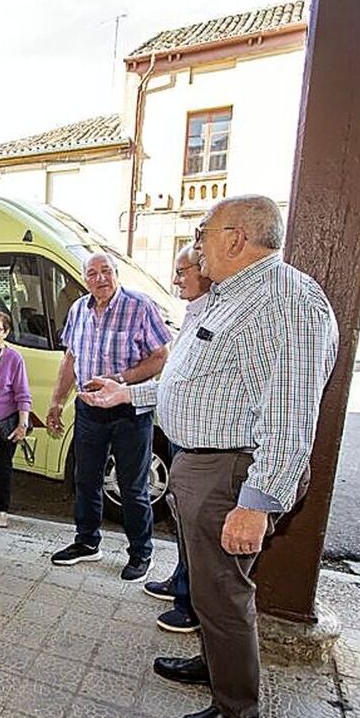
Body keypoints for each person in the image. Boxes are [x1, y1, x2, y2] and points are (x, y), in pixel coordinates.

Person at [81, 195, 338, 718]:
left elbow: (292, 417)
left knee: (224, 591)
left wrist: (258, 501)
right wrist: (130, 392)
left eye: (202, 234)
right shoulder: (230, 296)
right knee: (210, 585)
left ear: (235, 238)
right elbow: (195, 383)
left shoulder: (286, 300)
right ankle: (215, 662)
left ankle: (237, 712)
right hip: (199, 464)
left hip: (229, 473)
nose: (196, 247)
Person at [46, 251, 171, 582]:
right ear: (85, 279)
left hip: (129, 409)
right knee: (85, 479)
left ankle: (141, 553)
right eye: (92, 273)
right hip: (89, 408)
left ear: (116, 273)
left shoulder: (140, 306)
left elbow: (161, 357)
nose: (99, 278)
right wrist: (57, 401)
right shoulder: (78, 309)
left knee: (132, 486)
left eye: (106, 271)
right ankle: (87, 543)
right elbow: (70, 358)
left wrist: (122, 381)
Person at [143, 244, 212, 635]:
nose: (176, 279)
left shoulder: (220, 311)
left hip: (205, 444)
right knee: (183, 521)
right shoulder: (194, 311)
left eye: (183, 270)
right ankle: (181, 582)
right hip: (182, 437)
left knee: (198, 529)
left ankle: (190, 604)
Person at [0, 311, 32, 528]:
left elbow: (23, 394)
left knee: (2, 468)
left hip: (5, 422)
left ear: (7, 332)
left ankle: (2, 508)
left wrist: (22, 424)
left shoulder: (13, 358)